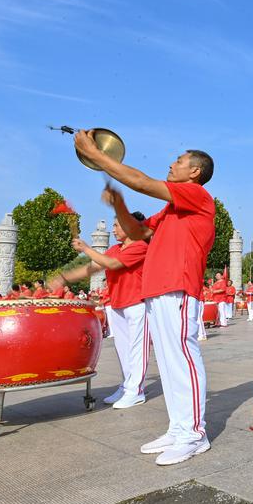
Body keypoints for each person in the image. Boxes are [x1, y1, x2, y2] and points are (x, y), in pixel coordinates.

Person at [74, 130, 215, 466]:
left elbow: (140, 181)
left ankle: (195, 434)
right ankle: (178, 428)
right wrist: (120, 204)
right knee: (167, 363)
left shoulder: (197, 195)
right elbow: (138, 232)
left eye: (179, 161)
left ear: (194, 172)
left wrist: (98, 156)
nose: (172, 164)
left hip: (179, 288)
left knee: (182, 358)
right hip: (157, 291)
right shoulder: (171, 210)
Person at [52, 213, 150, 409]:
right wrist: (64, 278)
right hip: (118, 304)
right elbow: (93, 267)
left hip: (138, 304)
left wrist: (86, 248)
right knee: (123, 350)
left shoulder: (140, 247)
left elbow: (112, 264)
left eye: (117, 225)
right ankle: (126, 386)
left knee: (137, 349)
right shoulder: (115, 249)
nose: (113, 230)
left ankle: (136, 391)